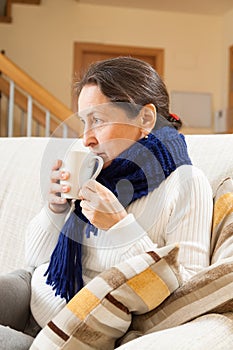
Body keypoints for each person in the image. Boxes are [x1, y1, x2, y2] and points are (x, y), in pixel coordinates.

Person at [0, 57, 213, 349]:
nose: (86, 138)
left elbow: (187, 295)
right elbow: (35, 261)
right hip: (33, 294)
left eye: (97, 120)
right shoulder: (95, 170)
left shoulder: (187, 183)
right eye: (83, 122)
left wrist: (121, 227)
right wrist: (54, 210)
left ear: (145, 119)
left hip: (74, 334)